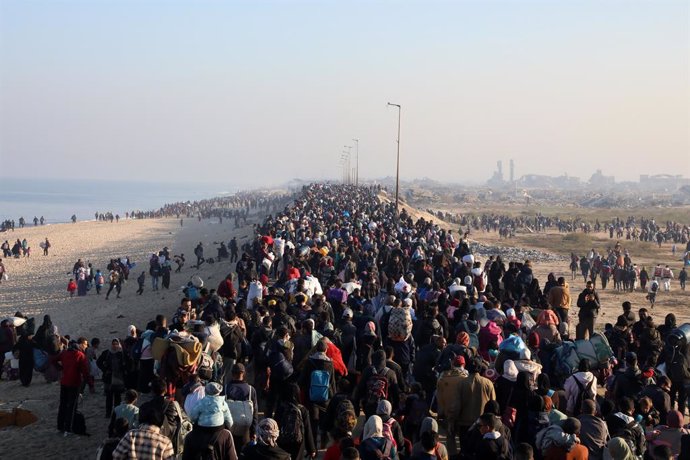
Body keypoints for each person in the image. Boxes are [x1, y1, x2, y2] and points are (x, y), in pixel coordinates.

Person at [56, 337, 90, 435]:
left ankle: (60, 426)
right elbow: (85, 372)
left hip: (64, 382)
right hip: (74, 383)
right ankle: (68, 428)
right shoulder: (80, 355)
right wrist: (90, 383)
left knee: (63, 404)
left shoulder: (64, 354)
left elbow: (52, 359)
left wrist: (60, 368)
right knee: (72, 406)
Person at [225, 363, 259, 448]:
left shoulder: (225, 389)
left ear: (232, 374)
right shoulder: (251, 390)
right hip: (245, 430)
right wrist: (253, 432)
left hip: (228, 430)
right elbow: (255, 413)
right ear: (243, 374)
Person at [97, 338, 128, 418]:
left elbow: (128, 363)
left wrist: (124, 370)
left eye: (116, 344)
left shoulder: (122, 353)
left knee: (118, 397)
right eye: (113, 344)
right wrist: (105, 370)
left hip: (119, 378)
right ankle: (108, 413)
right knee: (109, 397)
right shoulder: (107, 353)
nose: (115, 346)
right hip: (109, 378)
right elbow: (99, 362)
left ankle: (116, 413)